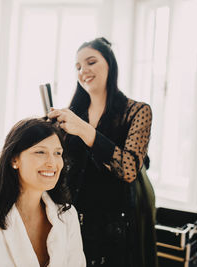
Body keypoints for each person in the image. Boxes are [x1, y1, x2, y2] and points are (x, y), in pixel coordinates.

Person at [48, 37, 158, 267]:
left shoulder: (137, 112)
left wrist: (85, 130)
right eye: (78, 67)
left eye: (91, 62)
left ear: (110, 64)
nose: (83, 71)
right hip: (70, 224)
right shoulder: (71, 114)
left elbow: (128, 169)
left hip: (114, 231)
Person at [0, 118, 86, 267]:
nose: (52, 162)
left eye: (57, 153)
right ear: (14, 160)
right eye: (40, 152)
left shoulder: (67, 216)